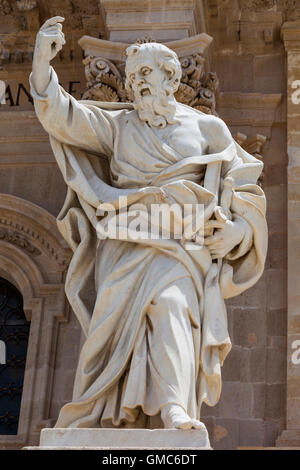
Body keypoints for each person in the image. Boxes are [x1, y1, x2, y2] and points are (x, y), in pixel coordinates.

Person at [30, 17, 267, 430]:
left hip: (180, 247)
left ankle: (175, 408)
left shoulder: (207, 128)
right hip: (125, 242)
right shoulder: (118, 127)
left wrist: (239, 232)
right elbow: (64, 117)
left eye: (144, 73)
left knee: (172, 306)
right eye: (132, 75)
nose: (136, 81)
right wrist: (40, 66)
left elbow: (245, 189)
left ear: (171, 78)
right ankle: (97, 411)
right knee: (106, 329)